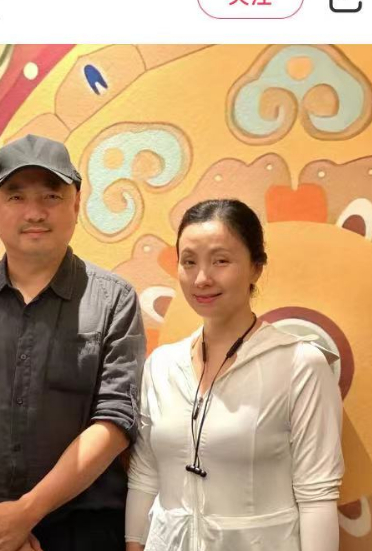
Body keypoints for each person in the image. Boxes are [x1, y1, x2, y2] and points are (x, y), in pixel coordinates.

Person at [0, 134, 145, 551]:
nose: (35, 212)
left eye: (52, 196)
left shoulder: (115, 299)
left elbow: (114, 420)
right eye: (16, 196)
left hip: (83, 531)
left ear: (77, 203)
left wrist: (24, 515)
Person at [125, 199, 344, 551]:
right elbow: (146, 474)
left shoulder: (300, 365)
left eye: (221, 260)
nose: (202, 278)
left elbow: (317, 495)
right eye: (189, 261)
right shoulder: (162, 365)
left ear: (256, 267)